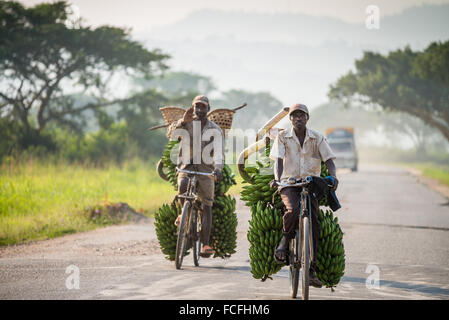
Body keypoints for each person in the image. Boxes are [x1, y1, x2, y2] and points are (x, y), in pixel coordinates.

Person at [269, 103, 338, 288]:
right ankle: (285, 240)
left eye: (302, 115)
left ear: (307, 118)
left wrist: (334, 176)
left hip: (310, 183)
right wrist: (277, 179)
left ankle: (311, 270)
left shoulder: (317, 137)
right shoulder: (283, 137)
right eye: (294, 116)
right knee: (293, 210)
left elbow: (329, 160)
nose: (298, 118)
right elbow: (278, 161)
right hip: (289, 183)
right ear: (290, 119)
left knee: (313, 223)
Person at [167, 95, 224, 258]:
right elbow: (171, 135)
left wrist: (218, 168)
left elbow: (219, 152)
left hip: (206, 168)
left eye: (203, 107)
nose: (199, 110)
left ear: (208, 109)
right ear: (192, 108)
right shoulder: (187, 123)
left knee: (207, 204)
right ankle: (182, 214)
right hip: (186, 164)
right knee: (183, 184)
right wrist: (182, 122)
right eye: (197, 107)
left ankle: (205, 244)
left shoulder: (215, 129)